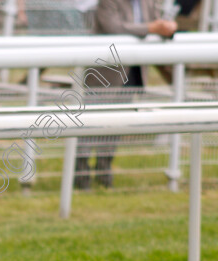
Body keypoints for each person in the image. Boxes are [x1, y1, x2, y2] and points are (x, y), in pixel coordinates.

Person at [74, 0, 176, 189]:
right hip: (104, 74)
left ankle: (104, 173)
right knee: (89, 126)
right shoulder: (108, 2)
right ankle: (81, 176)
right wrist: (151, 27)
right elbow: (115, 28)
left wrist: (167, 28)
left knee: (115, 127)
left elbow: (155, 26)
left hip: (133, 72)